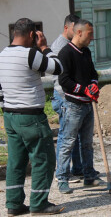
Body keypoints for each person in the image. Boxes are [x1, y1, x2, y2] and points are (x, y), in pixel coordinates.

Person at [0, 18, 65, 215]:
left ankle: (14, 204)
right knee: (43, 159)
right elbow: (57, 68)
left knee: (16, 161)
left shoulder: (2, 54)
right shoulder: (30, 54)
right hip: (30, 116)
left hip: (10, 115)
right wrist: (44, 46)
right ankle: (39, 203)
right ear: (31, 35)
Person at [56, 19, 101, 194]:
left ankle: (88, 175)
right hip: (73, 106)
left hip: (88, 106)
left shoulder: (86, 52)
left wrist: (94, 85)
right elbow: (64, 80)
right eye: (90, 34)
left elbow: (93, 73)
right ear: (79, 33)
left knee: (87, 143)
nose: (92, 38)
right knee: (68, 143)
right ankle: (62, 179)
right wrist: (83, 89)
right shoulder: (65, 53)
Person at [50, 14, 83, 183]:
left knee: (74, 135)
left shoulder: (72, 44)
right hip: (63, 96)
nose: (78, 32)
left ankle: (78, 168)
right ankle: (62, 173)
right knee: (66, 136)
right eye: (74, 29)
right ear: (66, 28)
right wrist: (67, 96)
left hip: (71, 96)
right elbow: (59, 77)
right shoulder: (59, 46)